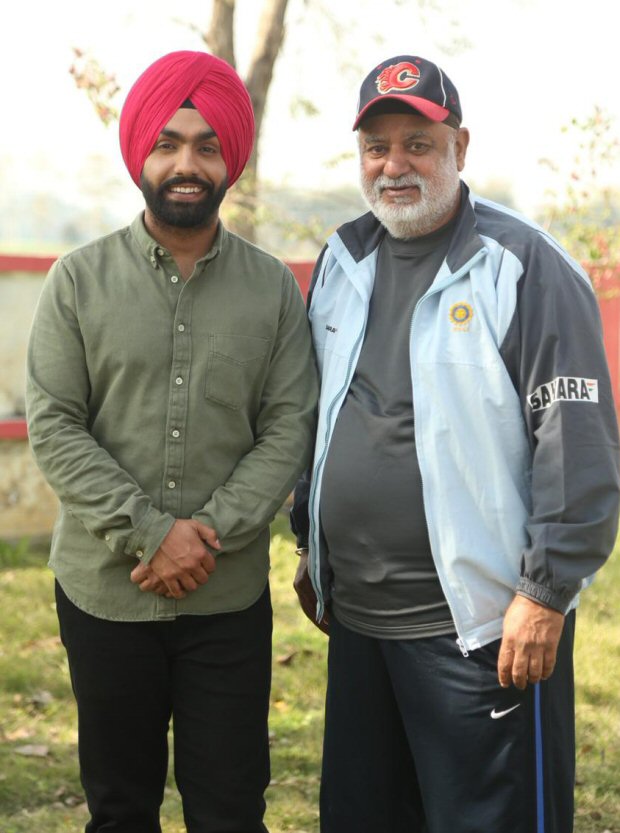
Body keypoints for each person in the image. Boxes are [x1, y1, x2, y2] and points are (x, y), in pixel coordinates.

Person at [291, 54, 620, 833]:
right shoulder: (343, 260)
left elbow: (575, 446)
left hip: (481, 632)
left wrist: (545, 595)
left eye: (418, 143)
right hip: (361, 625)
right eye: (378, 146)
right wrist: (311, 539)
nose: (395, 164)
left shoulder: (526, 266)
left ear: (459, 148)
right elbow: (323, 413)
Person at [27, 50, 317, 833]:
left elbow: (289, 424)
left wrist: (206, 535)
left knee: (229, 807)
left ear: (230, 160)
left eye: (206, 145)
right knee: (120, 807)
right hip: (105, 589)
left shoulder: (273, 293)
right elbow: (55, 421)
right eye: (167, 143)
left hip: (227, 597)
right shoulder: (77, 282)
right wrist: (153, 533)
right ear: (140, 156)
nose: (186, 163)